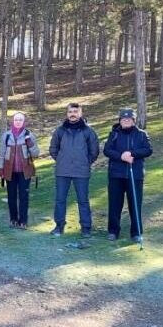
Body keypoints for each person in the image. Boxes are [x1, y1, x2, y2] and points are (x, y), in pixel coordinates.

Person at [48, 102, 99, 237]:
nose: (73, 114)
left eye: (75, 112)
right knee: (60, 199)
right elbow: (53, 149)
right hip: (62, 171)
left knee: (83, 200)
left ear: (80, 113)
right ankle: (59, 226)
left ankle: (86, 228)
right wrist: (60, 160)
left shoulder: (88, 132)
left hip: (81, 171)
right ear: (67, 113)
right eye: (70, 112)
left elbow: (94, 151)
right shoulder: (60, 131)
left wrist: (85, 162)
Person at [103, 108, 152, 243]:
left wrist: (132, 154)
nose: (126, 120)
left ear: (133, 121)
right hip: (116, 174)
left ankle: (136, 232)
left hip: (135, 175)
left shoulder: (141, 134)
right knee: (114, 205)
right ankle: (113, 231)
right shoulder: (114, 134)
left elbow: (148, 150)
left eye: (129, 119)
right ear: (120, 121)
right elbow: (107, 150)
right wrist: (121, 156)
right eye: (123, 119)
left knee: (135, 204)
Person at [0, 112, 40, 229]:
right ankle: (13, 219)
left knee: (23, 196)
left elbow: (36, 154)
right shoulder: (6, 136)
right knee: (11, 196)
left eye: (20, 120)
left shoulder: (29, 135)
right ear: (12, 121)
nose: (18, 122)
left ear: (24, 122)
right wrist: (0, 169)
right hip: (9, 171)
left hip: (24, 171)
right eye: (16, 119)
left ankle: (23, 221)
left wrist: (29, 143)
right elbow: (1, 154)